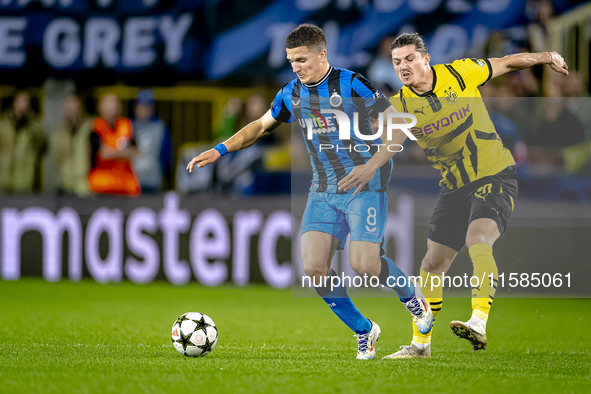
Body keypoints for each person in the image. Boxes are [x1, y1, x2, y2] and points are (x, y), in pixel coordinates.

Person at [187, 24, 433, 360]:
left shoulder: (352, 84)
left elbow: (397, 126)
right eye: (291, 61)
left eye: (301, 59)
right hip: (323, 190)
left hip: (364, 185)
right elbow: (260, 126)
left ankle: (413, 300)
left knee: (365, 265)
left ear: (321, 54)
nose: (296, 67)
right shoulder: (291, 93)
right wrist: (221, 149)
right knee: (314, 269)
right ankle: (365, 331)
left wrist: (371, 165)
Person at [384, 33, 568, 358]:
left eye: (410, 59)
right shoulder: (399, 105)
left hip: (495, 174)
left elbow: (508, 62)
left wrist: (547, 56)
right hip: (453, 187)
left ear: (426, 58)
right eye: (397, 62)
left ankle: (479, 321)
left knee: (477, 239)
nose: (404, 67)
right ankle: (420, 346)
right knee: (431, 265)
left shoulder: (460, 73)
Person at [88, 94, 141, 196]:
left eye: (114, 104)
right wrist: (123, 153)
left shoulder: (126, 125)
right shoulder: (96, 127)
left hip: (125, 182)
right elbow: (102, 154)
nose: (112, 109)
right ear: (101, 108)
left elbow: (136, 152)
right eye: (108, 105)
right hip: (102, 182)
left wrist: (113, 152)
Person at [0, 91, 46, 194]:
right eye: (21, 101)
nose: (24, 105)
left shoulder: (33, 126)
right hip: (3, 181)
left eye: (27, 102)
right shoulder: (3, 125)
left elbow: (42, 144)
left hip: (24, 183)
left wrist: (29, 117)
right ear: (14, 103)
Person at [47, 94, 93, 196]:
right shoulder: (57, 134)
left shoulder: (88, 128)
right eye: (68, 109)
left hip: (84, 186)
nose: (72, 113)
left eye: (74, 109)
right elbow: (56, 158)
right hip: (64, 185)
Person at [132, 90, 171, 193]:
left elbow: (166, 155)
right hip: (132, 179)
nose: (144, 110)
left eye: (147, 106)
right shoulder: (128, 126)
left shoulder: (160, 127)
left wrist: (165, 173)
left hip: (153, 179)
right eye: (141, 106)